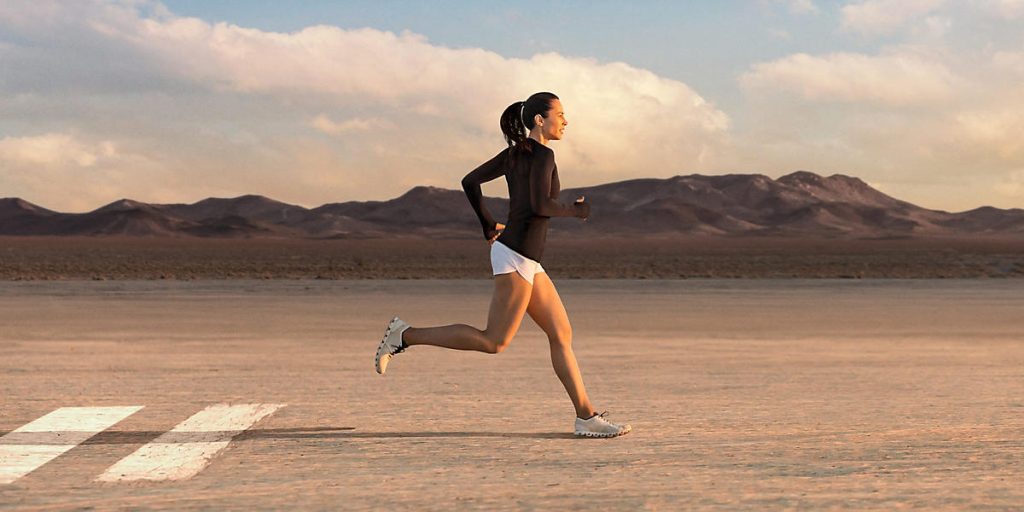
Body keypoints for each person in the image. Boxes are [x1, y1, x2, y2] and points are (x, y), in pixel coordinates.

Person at [374, 92, 631, 438]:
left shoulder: (514, 154)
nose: (566, 121)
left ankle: (586, 416)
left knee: (561, 333)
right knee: (494, 341)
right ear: (540, 120)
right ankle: (403, 335)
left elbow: (470, 182)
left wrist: (486, 223)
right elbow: (541, 205)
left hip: (524, 257)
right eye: (561, 114)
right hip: (515, 257)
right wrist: (575, 210)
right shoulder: (542, 155)